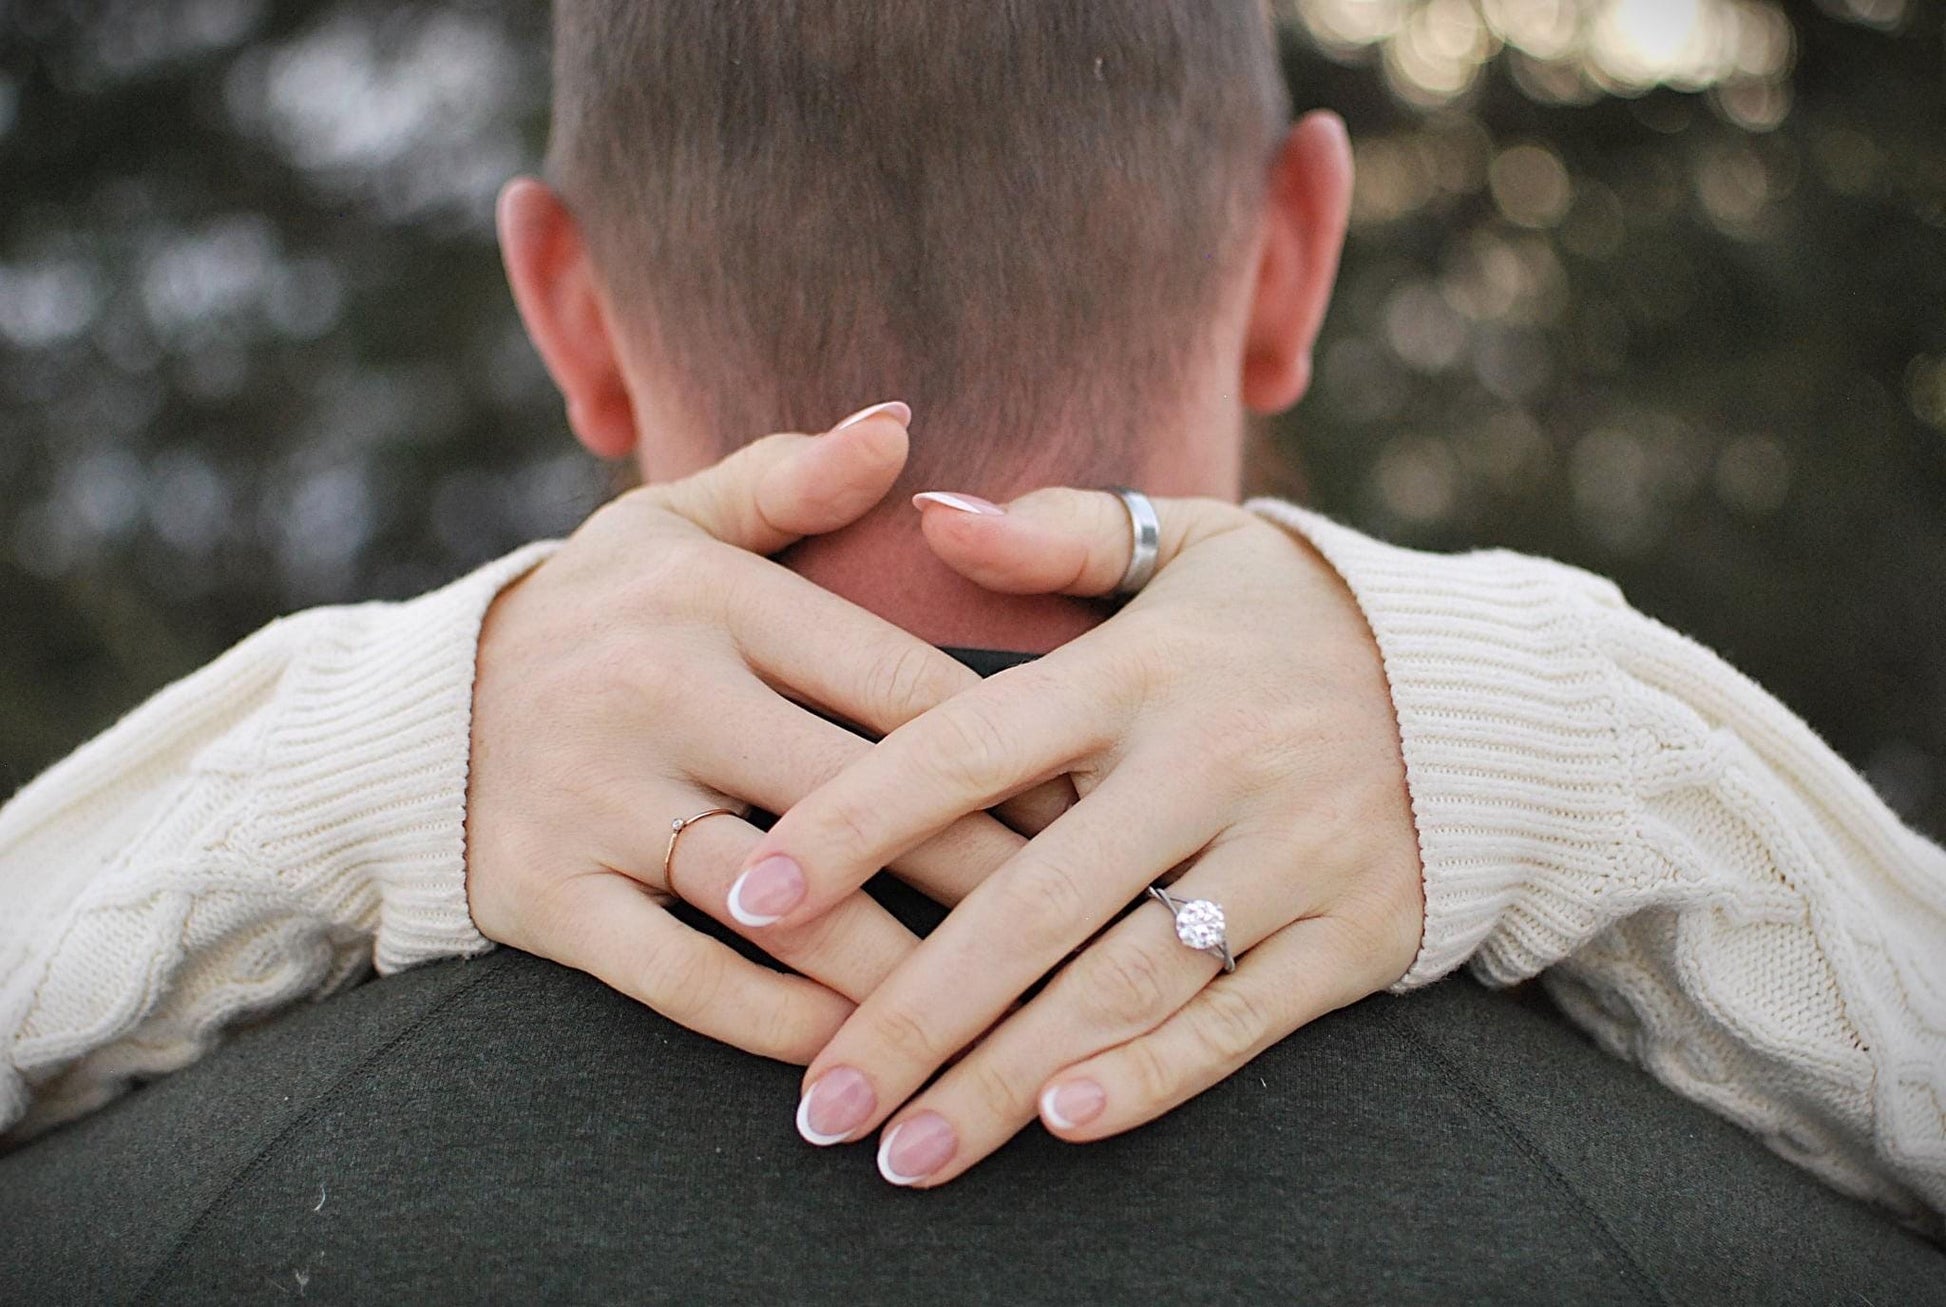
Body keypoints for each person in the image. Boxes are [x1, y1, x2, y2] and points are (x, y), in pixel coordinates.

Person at [2, 1, 1943, 1298]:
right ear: (1295, 260)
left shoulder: (107, 1237)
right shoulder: (1771, 1245)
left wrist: (365, 749)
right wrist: (1553, 731)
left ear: (562, 310)